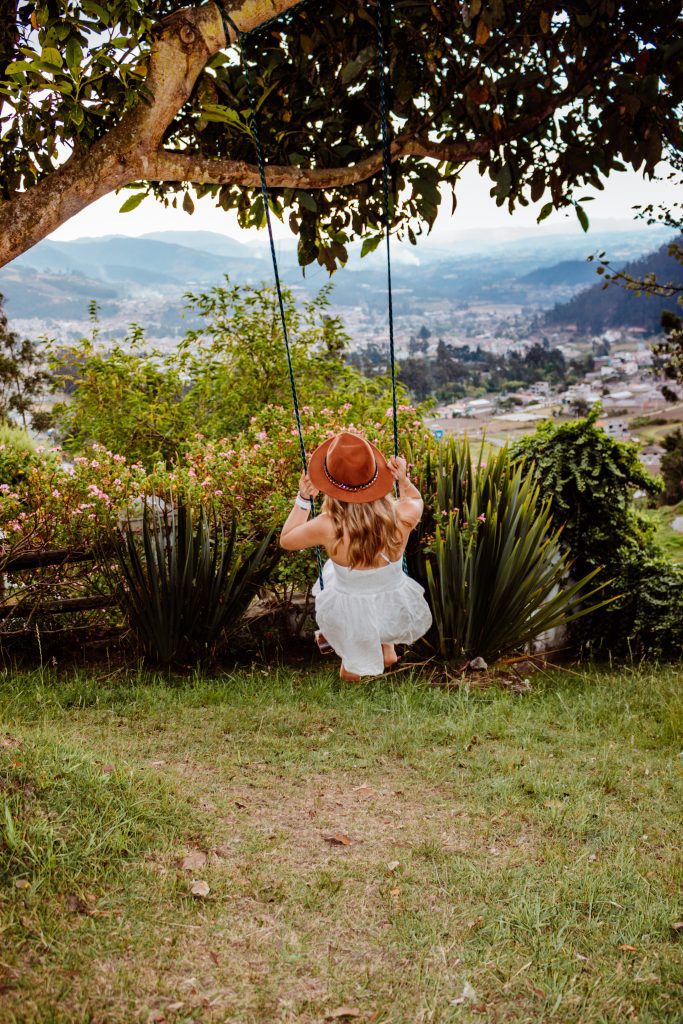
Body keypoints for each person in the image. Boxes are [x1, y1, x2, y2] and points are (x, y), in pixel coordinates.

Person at [280, 431, 432, 681]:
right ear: (376, 476)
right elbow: (415, 499)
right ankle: (381, 650)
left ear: (329, 485)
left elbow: (287, 539)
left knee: (352, 668)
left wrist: (304, 498)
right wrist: (403, 480)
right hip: (390, 596)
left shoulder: (328, 525)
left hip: (350, 601)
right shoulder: (402, 515)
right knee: (382, 635)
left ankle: (348, 663)